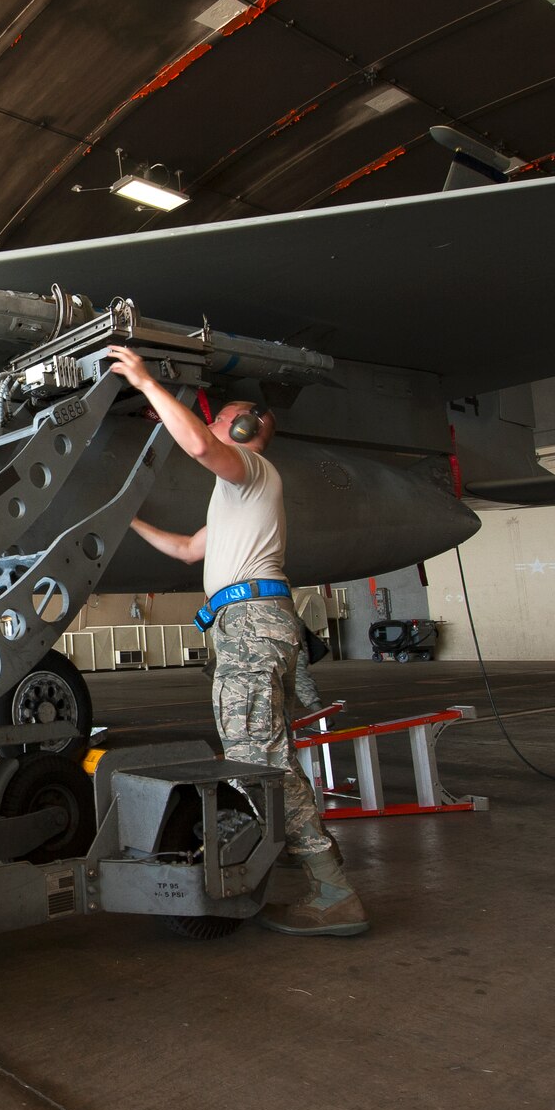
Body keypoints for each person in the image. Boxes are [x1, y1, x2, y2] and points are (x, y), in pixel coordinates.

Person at [105, 344, 367, 936]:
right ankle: (324, 881)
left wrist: (147, 382)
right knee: (260, 755)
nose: (212, 423)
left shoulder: (251, 471)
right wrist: (127, 518)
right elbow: (186, 549)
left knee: (260, 760)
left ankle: (334, 890)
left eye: (220, 416)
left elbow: (199, 444)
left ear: (243, 428)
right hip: (241, 625)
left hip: (251, 625)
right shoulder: (234, 497)